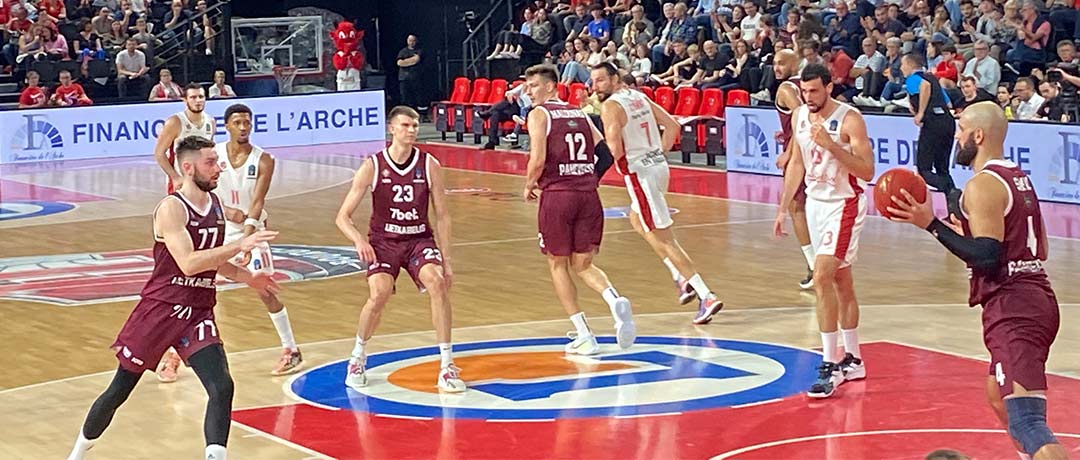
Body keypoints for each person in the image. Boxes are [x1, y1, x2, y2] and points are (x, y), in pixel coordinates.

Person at [66, 136, 279, 460]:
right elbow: (190, 263)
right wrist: (241, 245)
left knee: (221, 387)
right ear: (188, 167)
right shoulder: (171, 208)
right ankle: (78, 453)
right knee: (120, 388)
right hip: (160, 309)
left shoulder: (216, 206)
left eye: (217, 161)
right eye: (210, 162)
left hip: (198, 311)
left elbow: (214, 260)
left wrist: (250, 278)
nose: (218, 167)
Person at [887, 102, 1068, 460]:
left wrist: (930, 224)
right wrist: (968, 230)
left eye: (961, 129)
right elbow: (1029, 243)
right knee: (995, 393)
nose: (956, 136)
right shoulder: (1016, 176)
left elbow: (987, 257)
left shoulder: (982, 184)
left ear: (979, 135)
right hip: (1031, 296)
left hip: (1015, 305)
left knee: (1027, 422)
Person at [335, 106, 464, 392]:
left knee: (438, 282)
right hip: (383, 241)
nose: (412, 130)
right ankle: (357, 356)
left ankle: (446, 365)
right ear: (392, 128)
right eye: (406, 125)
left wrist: (447, 259)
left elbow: (442, 215)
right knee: (379, 293)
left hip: (419, 239)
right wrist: (359, 240)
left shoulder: (429, 164)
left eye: (416, 125)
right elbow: (342, 216)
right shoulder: (373, 165)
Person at [592, 63, 725, 324]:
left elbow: (615, 150)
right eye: (593, 81)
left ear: (615, 79)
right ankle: (678, 275)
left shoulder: (610, 107)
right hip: (658, 168)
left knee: (665, 239)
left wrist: (600, 157)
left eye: (600, 81)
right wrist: (657, 154)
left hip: (640, 175)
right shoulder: (639, 96)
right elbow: (673, 125)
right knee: (635, 218)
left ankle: (705, 294)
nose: (594, 86)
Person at [774, 63, 875, 399]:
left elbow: (868, 169)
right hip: (816, 205)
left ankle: (829, 363)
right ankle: (855, 359)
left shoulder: (849, 119)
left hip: (844, 204)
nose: (809, 97)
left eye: (815, 90)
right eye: (804, 91)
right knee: (841, 282)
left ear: (830, 87)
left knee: (821, 277)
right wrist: (784, 206)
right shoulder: (800, 115)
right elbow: (798, 164)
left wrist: (832, 146)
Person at [522, 64, 635, 354]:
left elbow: (538, 158)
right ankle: (613, 300)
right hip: (588, 195)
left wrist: (529, 184)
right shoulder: (580, 113)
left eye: (533, 85)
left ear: (550, 87)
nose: (528, 90)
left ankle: (585, 332)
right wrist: (587, 178)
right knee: (583, 264)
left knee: (557, 264)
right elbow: (605, 153)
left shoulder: (539, 114)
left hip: (558, 196)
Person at [213, 104, 303, 376]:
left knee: (264, 287)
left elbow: (258, 201)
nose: (243, 127)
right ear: (227, 125)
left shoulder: (264, 159)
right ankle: (175, 353)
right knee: (196, 288)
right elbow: (202, 191)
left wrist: (248, 237)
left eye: (247, 122)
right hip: (221, 227)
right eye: (238, 122)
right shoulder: (213, 154)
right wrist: (226, 211)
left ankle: (291, 349)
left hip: (253, 228)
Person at [772, 48, 816, 289]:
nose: (776, 67)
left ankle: (813, 265)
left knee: (796, 206)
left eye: (781, 63)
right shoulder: (810, 84)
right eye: (774, 64)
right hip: (814, 148)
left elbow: (801, 115)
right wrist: (786, 133)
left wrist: (789, 150)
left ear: (793, 63)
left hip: (801, 152)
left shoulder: (786, 88)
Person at [901, 53, 961, 218]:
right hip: (947, 122)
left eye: (902, 65)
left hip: (933, 123)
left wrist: (920, 112)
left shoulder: (914, 79)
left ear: (910, 65)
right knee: (942, 169)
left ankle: (952, 190)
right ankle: (955, 211)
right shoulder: (933, 77)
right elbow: (947, 102)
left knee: (924, 169)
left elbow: (925, 87)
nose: (901, 68)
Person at [154, 83, 215, 195]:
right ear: (185, 100)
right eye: (193, 97)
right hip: (182, 180)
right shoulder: (175, 122)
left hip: (202, 181)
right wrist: (175, 177)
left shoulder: (210, 122)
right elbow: (159, 153)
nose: (198, 101)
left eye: (201, 97)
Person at [396, 34, 422, 110]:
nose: (411, 42)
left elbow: (416, 59)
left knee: (417, 97)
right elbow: (399, 63)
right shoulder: (402, 51)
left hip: (415, 77)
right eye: (410, 40)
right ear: (407, 41)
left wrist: (405, 61)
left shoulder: (419, 51)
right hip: (403, 78)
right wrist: (411, 61)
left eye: (413, 40)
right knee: (404, 97)